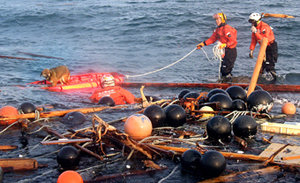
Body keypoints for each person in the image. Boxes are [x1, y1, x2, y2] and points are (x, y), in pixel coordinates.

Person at [197, 13, 237, 82]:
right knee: (223, 69)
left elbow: (233, 41)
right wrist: (203, 44)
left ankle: (228, 82)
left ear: (222, 20)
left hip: (230, 51)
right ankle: (225, 81)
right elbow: (212, 39)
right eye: (216, 20)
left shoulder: (227, 29)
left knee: (226, 69)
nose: (216, 21)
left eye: (218, 19)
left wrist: (225, 45)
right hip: (224, 51)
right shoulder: (218, 29)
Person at [248, 12, 278, 81]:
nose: (251, 24)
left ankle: (273, 81)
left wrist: (256, 32)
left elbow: (265, 40)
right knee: (261, 66)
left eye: (252, 22)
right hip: (263, 48)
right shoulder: (255, 28)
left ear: (256, 21)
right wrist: (251, 50)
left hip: (270, 47)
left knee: (269, 65)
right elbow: (254, 39)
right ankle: (261, 80)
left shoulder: (264, 27)